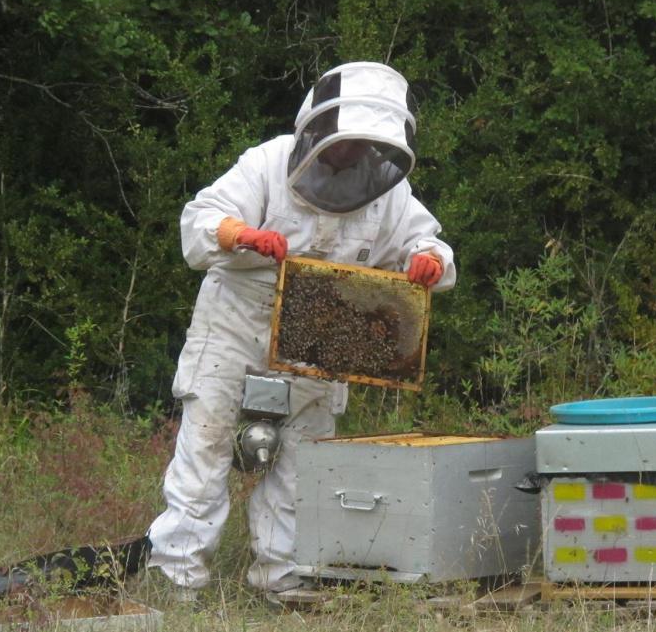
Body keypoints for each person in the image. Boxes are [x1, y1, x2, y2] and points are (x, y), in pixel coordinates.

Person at [145, 61, 457, 600]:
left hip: (321, 338)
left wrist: (430, 259)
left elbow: (426, 242)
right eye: (345, 140)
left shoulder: (387, 192)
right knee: (206, 450)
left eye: (363, 143)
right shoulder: (267, 163)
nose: (351, 152)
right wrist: (238, 234)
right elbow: (200, 221)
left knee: (302, 465)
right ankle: (176, 579)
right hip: (235, 326)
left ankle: (283, 578)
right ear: (317, 128)